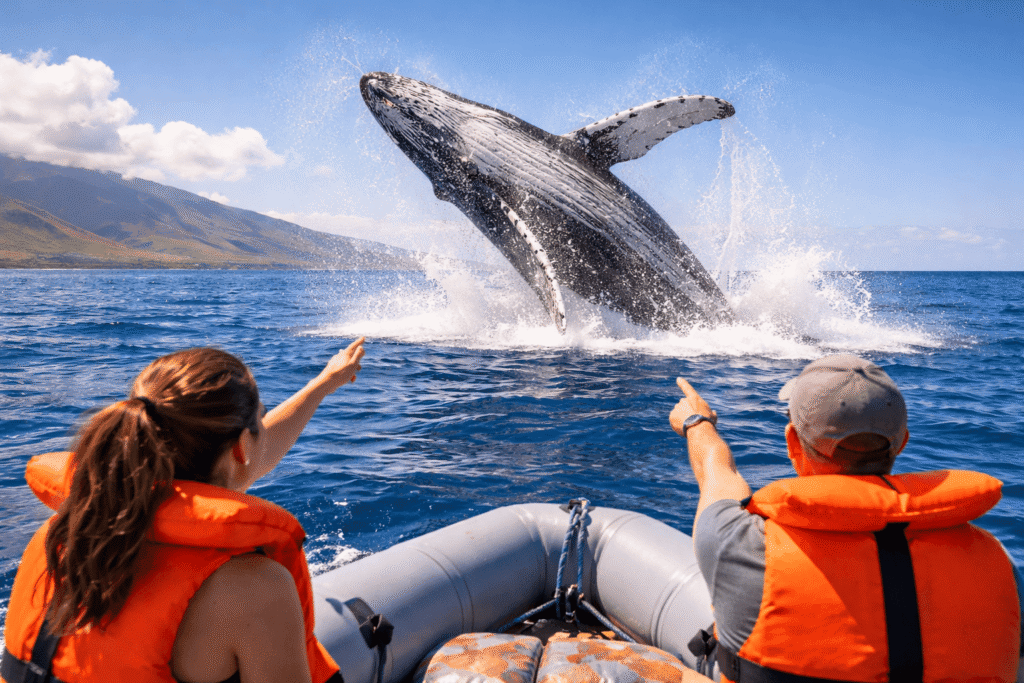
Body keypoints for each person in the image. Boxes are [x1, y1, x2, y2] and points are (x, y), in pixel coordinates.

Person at [2, 337, 366, 683]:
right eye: (260, 419)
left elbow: (249, 456)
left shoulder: (60, 537)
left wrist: (324, 383)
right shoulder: (255, 589)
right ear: (242, 446)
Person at [670, 354, 1023, 683]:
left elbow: (717, 473)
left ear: (792, 442)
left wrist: (697, 422)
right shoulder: (997, 561)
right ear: (902, 443)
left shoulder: (741, 543)